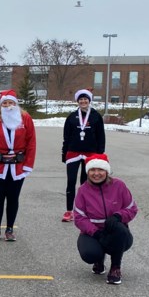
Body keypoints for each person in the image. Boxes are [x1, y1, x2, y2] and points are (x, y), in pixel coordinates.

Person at [0, 90, 37, 242]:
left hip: (17, 165)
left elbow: (31, 142)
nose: (8, 105)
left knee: (13, 198)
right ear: (0, 105)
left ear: (15, 103)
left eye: (10, 102)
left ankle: (10, 229)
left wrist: (28, 164)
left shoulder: (25, 119)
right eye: (4, 103)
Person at [73, 154, 138, 285]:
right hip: (93, 232)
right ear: (87, 172)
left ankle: (115, 268)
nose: (96, 173)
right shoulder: (83, 190)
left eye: (100, 170)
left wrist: (118, 216)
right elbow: (79, 217)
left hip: (116, 232)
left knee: (119, 229)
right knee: (89, 254)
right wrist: (95, 233)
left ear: (106, 171)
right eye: (92, 170)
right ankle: (98, 259)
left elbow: (132, 208)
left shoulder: (119, 185)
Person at [61, 88, 105, 222]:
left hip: (90, 154)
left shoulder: (96, 116)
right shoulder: (71, 117)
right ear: (78, 102)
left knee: (86, 183)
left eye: (85, 99)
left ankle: (86, 210)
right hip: (73, 153)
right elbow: (66, 137)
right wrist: (64, 152)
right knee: (71, 182)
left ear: (89, 101)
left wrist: (99, 154)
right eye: (81, 100)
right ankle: (69, 210)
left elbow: (101, 137)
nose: (83, 101)